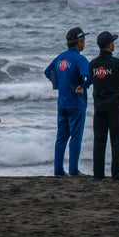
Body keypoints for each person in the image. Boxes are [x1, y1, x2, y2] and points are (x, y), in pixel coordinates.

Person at [44, 27, 91, 177]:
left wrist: (58, 83)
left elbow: (47, 71)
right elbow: (90, 76)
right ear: (79, 42)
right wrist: (82, 87)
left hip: (62, 102)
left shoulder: (60, 58)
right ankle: (73, 170)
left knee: (61, 137)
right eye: (83, 40)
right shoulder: (80, 59)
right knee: (75, 137)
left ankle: (58, 170)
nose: (84, 43)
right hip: (76, 104)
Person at [89, 31, 119, 180]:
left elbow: (90, 81)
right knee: (117, 140)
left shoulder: (93, 63)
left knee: (99, 140)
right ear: (110, 45)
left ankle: (98, 173)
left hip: (99, 106)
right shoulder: (118, 63)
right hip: (116, 106)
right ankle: (117, 173)